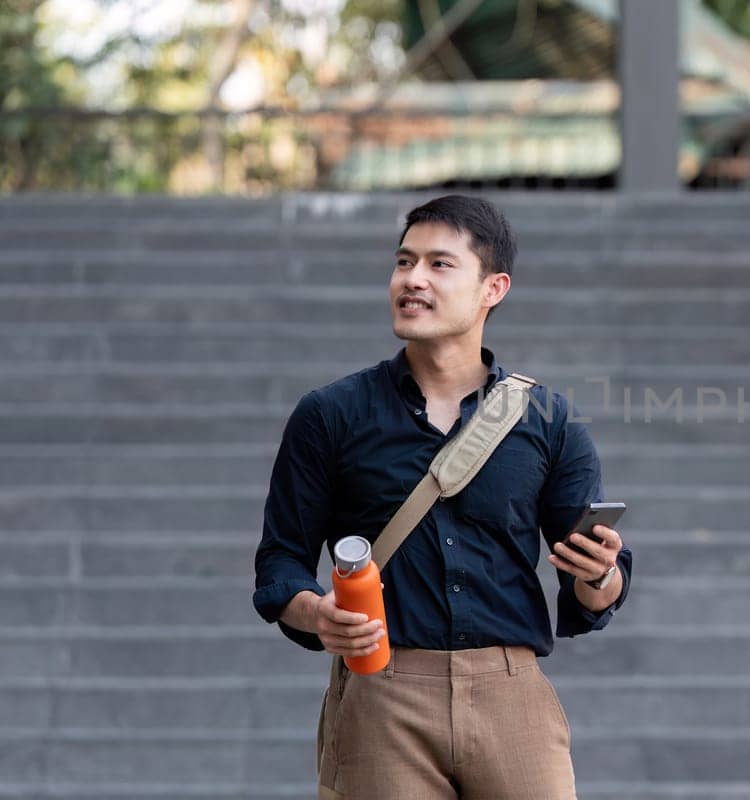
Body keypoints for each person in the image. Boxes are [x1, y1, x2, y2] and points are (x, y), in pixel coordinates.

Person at [252, 194, 632, 799]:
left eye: (439, 264)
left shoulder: (547, 418)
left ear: (493, 288)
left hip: (512, 695)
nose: (413, 279)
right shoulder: (331, 414)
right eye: (404, 262)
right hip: (383, 692)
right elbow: (279, 563)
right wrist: (314, 613)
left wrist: (600, 573)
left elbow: (596, 590)